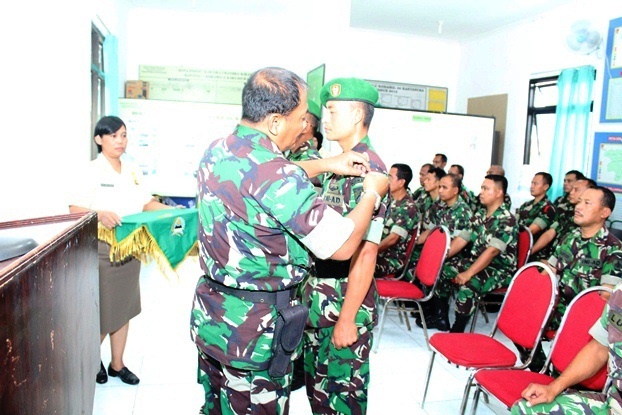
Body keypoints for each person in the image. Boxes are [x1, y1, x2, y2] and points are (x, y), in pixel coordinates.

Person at [190, 67, 389, 415]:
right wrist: (371, 193)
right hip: (255, 332)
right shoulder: (280, 173)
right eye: (301, 118)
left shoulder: (218, 150)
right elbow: (344, 247)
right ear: (276, 123)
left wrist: (328, 163)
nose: (307, 126)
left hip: (214, 320)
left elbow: (262, 175)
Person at [68, 115, 176, 385]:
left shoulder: (131, 170)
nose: (120, 141)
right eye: (113, 136)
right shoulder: (91, 170)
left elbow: (146, 203)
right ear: (99, 140)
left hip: (130, 249)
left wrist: (177, 212)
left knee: (125, 308)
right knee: (106, 309)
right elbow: (74, 209)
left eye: (124, 135)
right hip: (102, 250)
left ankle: (117, 364)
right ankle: (93, 361)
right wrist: (99, 213)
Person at [303, 77, 387, 415]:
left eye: (332, 110)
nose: (325, 118)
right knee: (319, 394)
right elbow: (276, 174)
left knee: (342, 399)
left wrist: (347, 319)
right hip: (319, 301)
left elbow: (367, 252)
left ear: (356, 116)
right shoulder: (340, 164)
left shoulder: (370, 170)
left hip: (343, 303)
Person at [510, 282, 622, 414]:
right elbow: (598, 348)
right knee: (526, 410)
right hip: (614, 403)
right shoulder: (619, 292)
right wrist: (553, 388)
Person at [443, 174, 518, 333]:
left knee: (469, 285)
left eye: (486, 189)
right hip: (478, 262)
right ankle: (441, 316)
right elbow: (462, 239)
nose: (481, 192)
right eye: (481, 188)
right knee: (443, 269)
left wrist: (468, 273)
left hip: (499, 269)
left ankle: (458, 329)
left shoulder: (507, 220)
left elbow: (492, 252)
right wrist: (442, 258)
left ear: (499, 193)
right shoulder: (480, 215)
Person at [417, 173, 473, 331]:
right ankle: (430, 308)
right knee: (418, 260)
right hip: (443, 254)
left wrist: (436, 260)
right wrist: (413, 244)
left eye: (444, 187)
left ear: (455, 190)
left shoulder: (463, 212)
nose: (440, 190)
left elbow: (460, 243)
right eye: (439, 186)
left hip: (459, 257)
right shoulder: (439, 207)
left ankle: (441, 318)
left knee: (441, 270)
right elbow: (430, 231)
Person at [530, 178, 595, 261]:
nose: (571, 192)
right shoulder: (566, 213)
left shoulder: (587, 221)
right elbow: (550, 233)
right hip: (551, 258)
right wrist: (531, 251)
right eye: (572, 189)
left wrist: (552, 264)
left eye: (576, 190)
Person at [374, 163, 419, 277]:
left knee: (354, 264)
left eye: (390, 177)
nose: (387, 180)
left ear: (401, 182)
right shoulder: (389, 200)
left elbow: (392, 239)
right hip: (378, 252)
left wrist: (370, 252)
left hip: (391, 259)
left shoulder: (408, 207)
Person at [514, 172, 556, 244]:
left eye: (535, 184)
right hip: (516, 245)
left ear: (545, 187)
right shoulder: (526, 205)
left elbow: (531, 231)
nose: (532, 186)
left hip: (533, 250)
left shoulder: (548, 208)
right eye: (532, 183)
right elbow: (513, 223)